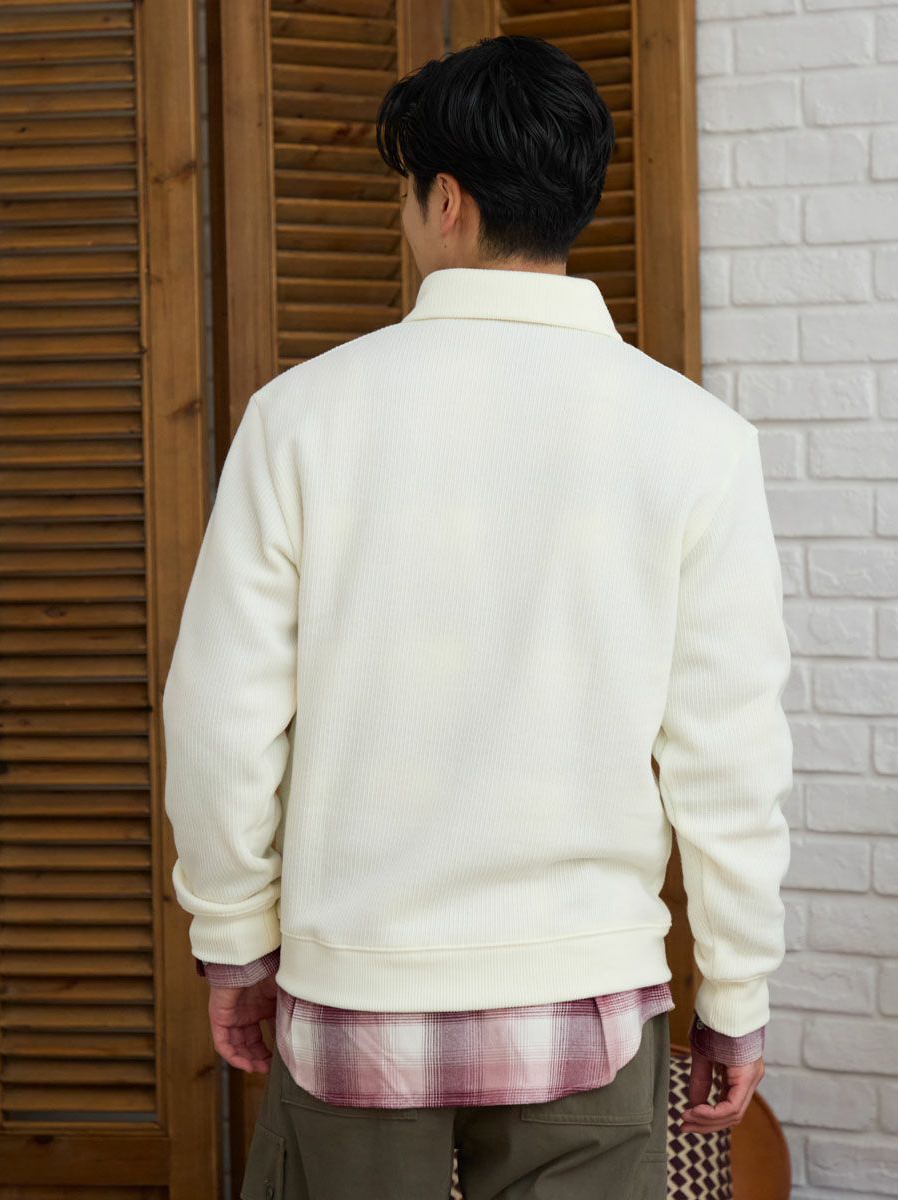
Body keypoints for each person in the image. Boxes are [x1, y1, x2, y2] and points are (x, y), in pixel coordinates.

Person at [162, 33, 792, 1200]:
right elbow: (729, 754)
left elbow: (221, 720)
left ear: (444, 200)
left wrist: (233, 938)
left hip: (356, 985)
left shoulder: (298, 419)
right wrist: (737, 991)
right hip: (589, 994)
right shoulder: (699, 440)